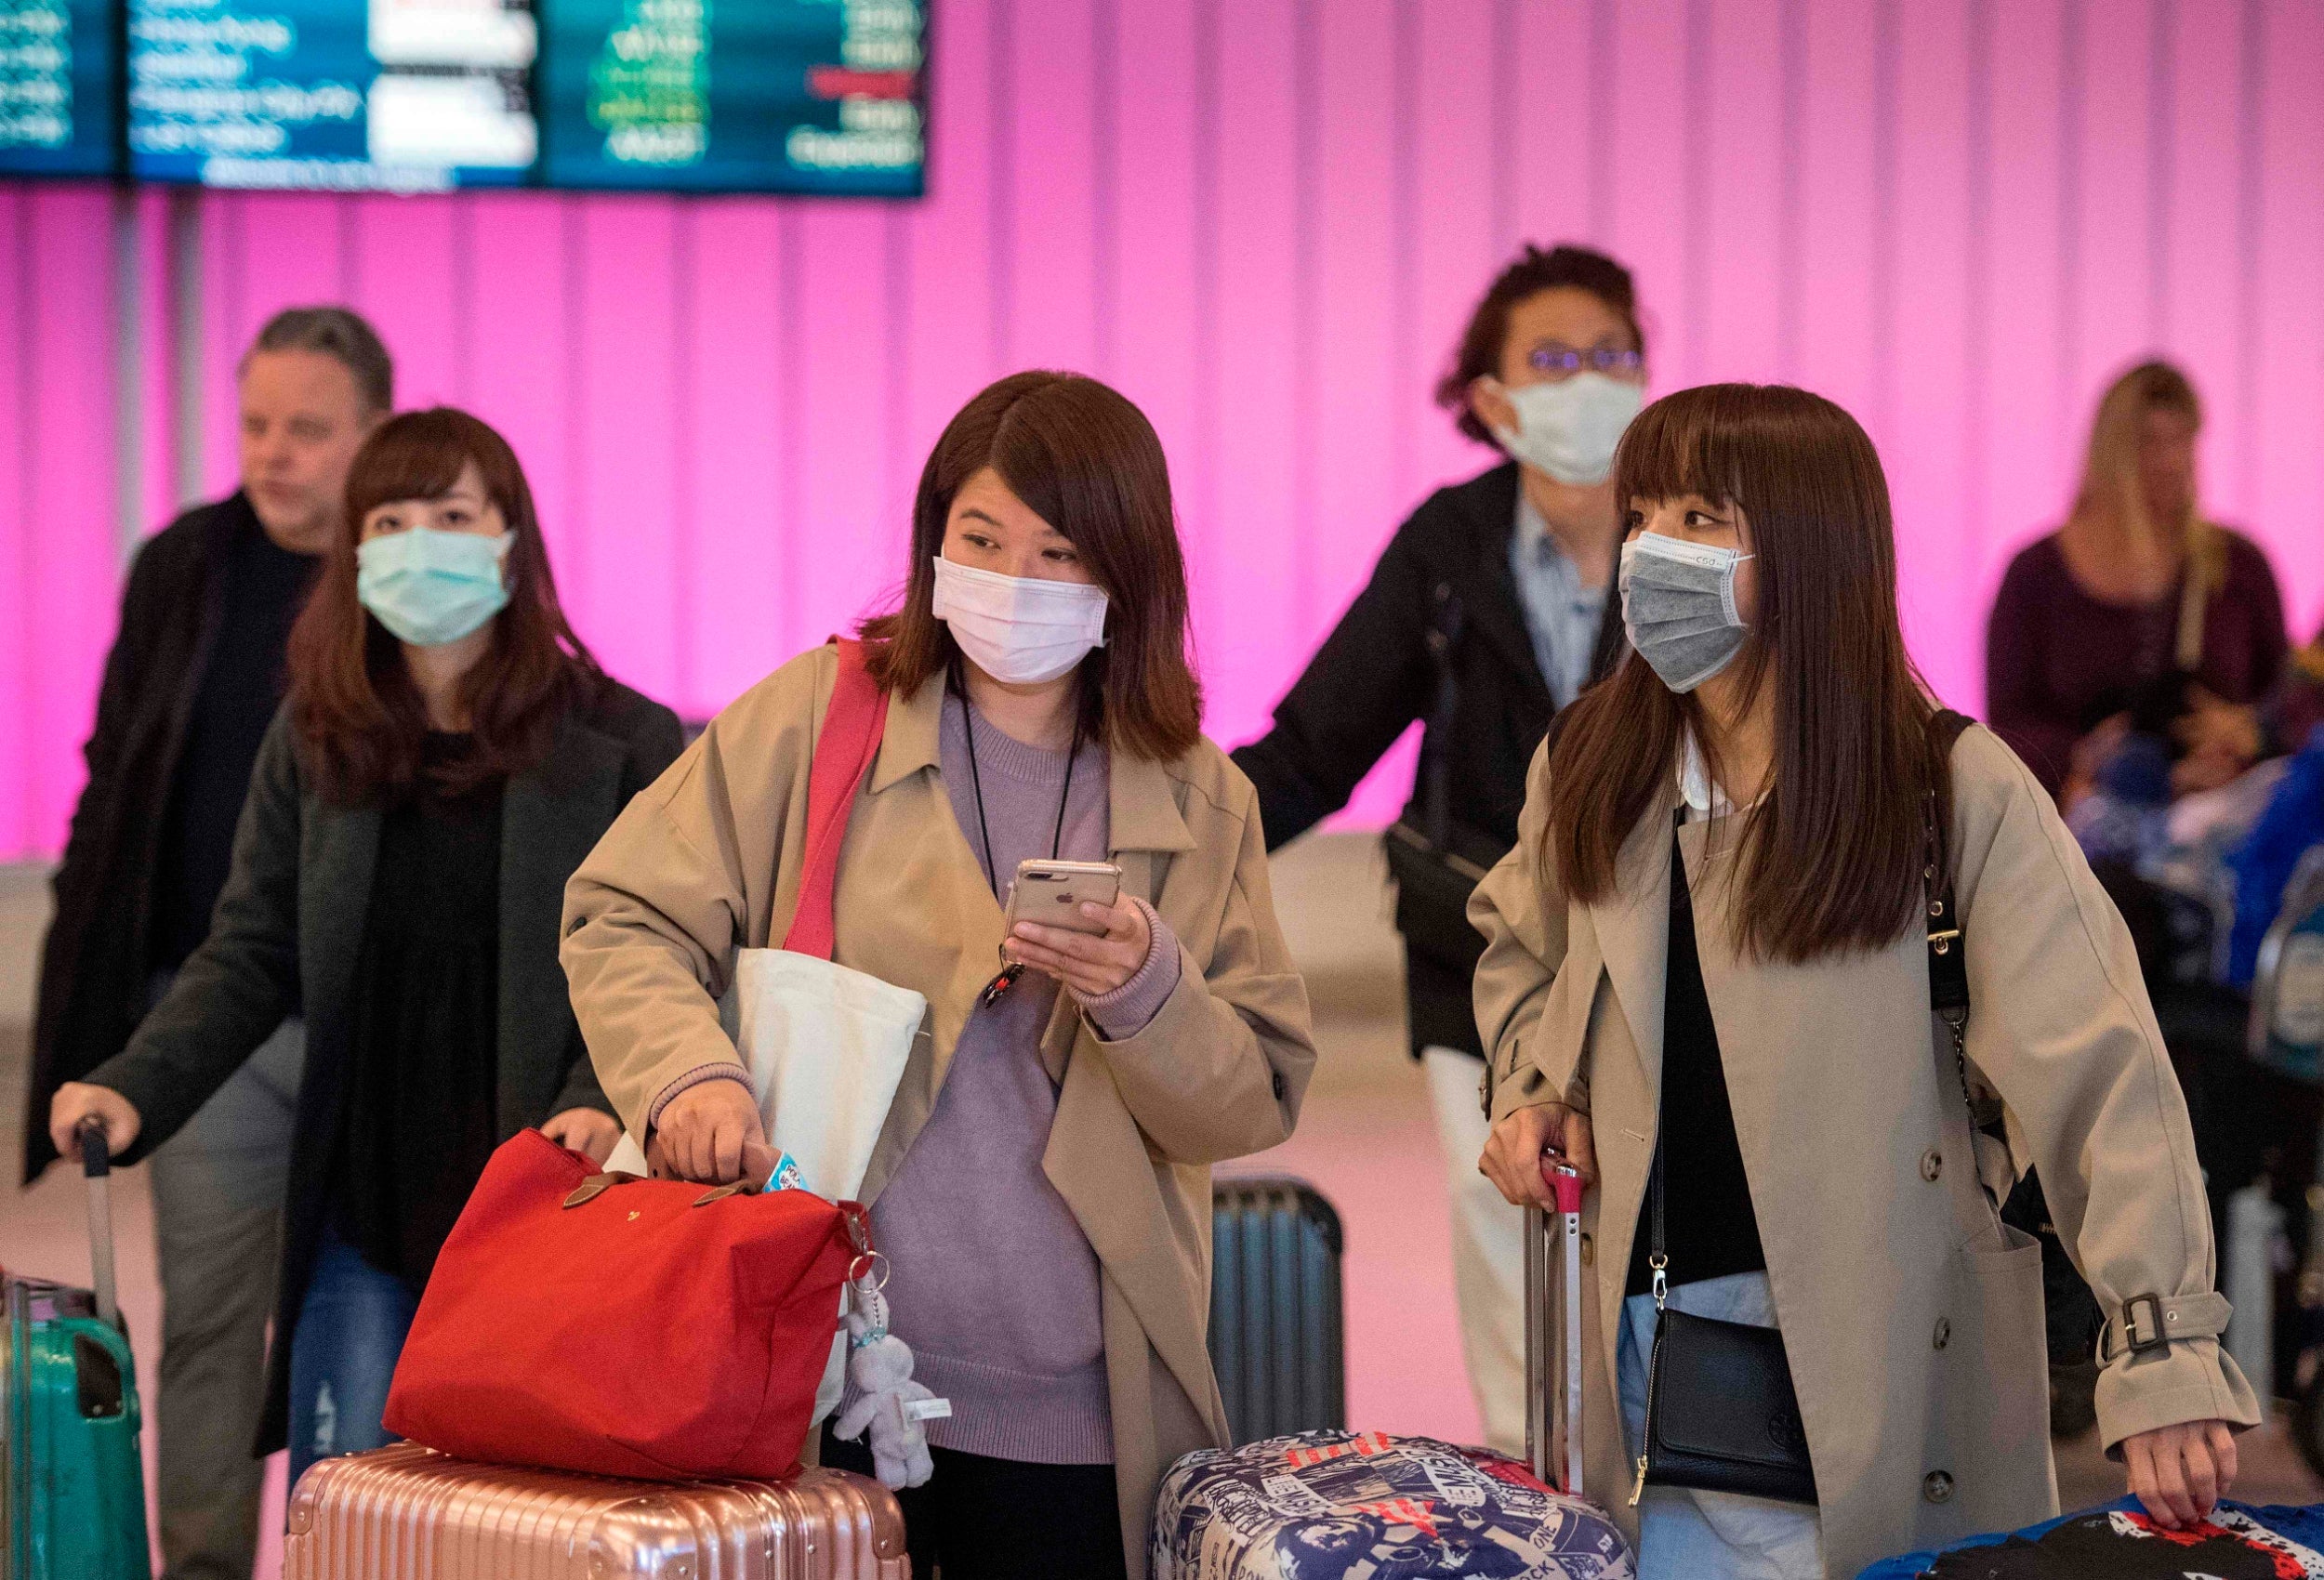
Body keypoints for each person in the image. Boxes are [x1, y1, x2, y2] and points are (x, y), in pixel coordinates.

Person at [1475, 384, 2257, 1579]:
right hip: (1639, 1351)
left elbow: (2101, 1070)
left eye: (1698, 517)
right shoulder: (1593, 760)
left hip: (1882, 1347)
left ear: (1808, 551)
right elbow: (1523, 944)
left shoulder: (1949, 789)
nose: (1650, 554)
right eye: (1640, 515)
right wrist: (1530, 1083)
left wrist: (2162, 1349)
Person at [562, 371, 1316, 1580]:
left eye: (1059, 551)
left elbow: (1250, 1097)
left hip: (1081, 1406)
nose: (1013, 582)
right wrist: (686, 1075)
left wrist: (1146, 993)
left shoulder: (1198, 795)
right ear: (933, 543)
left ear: (1126, 577)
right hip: (811, 1373)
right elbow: (623, 912)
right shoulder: (821, 720)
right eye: (981, 539)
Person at [46, 408, 682, 1493]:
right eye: (390, 518)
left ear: (509, 536)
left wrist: (600, 1094)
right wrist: (132, 1083)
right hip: (363, 1194)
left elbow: (658, 958)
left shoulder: (624, 739)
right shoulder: (316, 735)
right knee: (352, 1503)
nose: (419, 539)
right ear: (354, 550)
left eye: (451, 512)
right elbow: (250, 950)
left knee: (519, 1507)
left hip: (541, 1186)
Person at [1231, 243, 1643, 1452]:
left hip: (1661, 965)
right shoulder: (1449, 550)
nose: (1590, 381)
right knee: (1512, 1245)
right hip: (1478, 958)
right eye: (1555, 358)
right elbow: (1313, 747)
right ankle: (1542, 1503)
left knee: (1653, 1257)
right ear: (1493, 396)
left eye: (1613, 354)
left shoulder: (1693, 540)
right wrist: (1157, 843)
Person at [22, 306, 388, 1580]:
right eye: (255, 425)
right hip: (208, 1012)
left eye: (307, 429)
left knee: (370, 1325)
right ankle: (206, 1568)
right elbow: (117, 773)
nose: (274, 453)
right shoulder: (186, 563)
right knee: (215, 1332)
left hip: (370, 1027)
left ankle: (365, 1556)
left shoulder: (403, 574)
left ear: (373, 436)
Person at [1987, 360, 2288, 810]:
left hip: (2221, 823)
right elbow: (2009, 724)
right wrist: (2082, 758)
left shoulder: (2238, 566)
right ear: (2110, 453)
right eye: (2149, 444)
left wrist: (2245, 730)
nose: (2170, 462)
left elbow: (2288, 698)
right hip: (2082, 828)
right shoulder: (2036, 576)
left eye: (2180, 441)